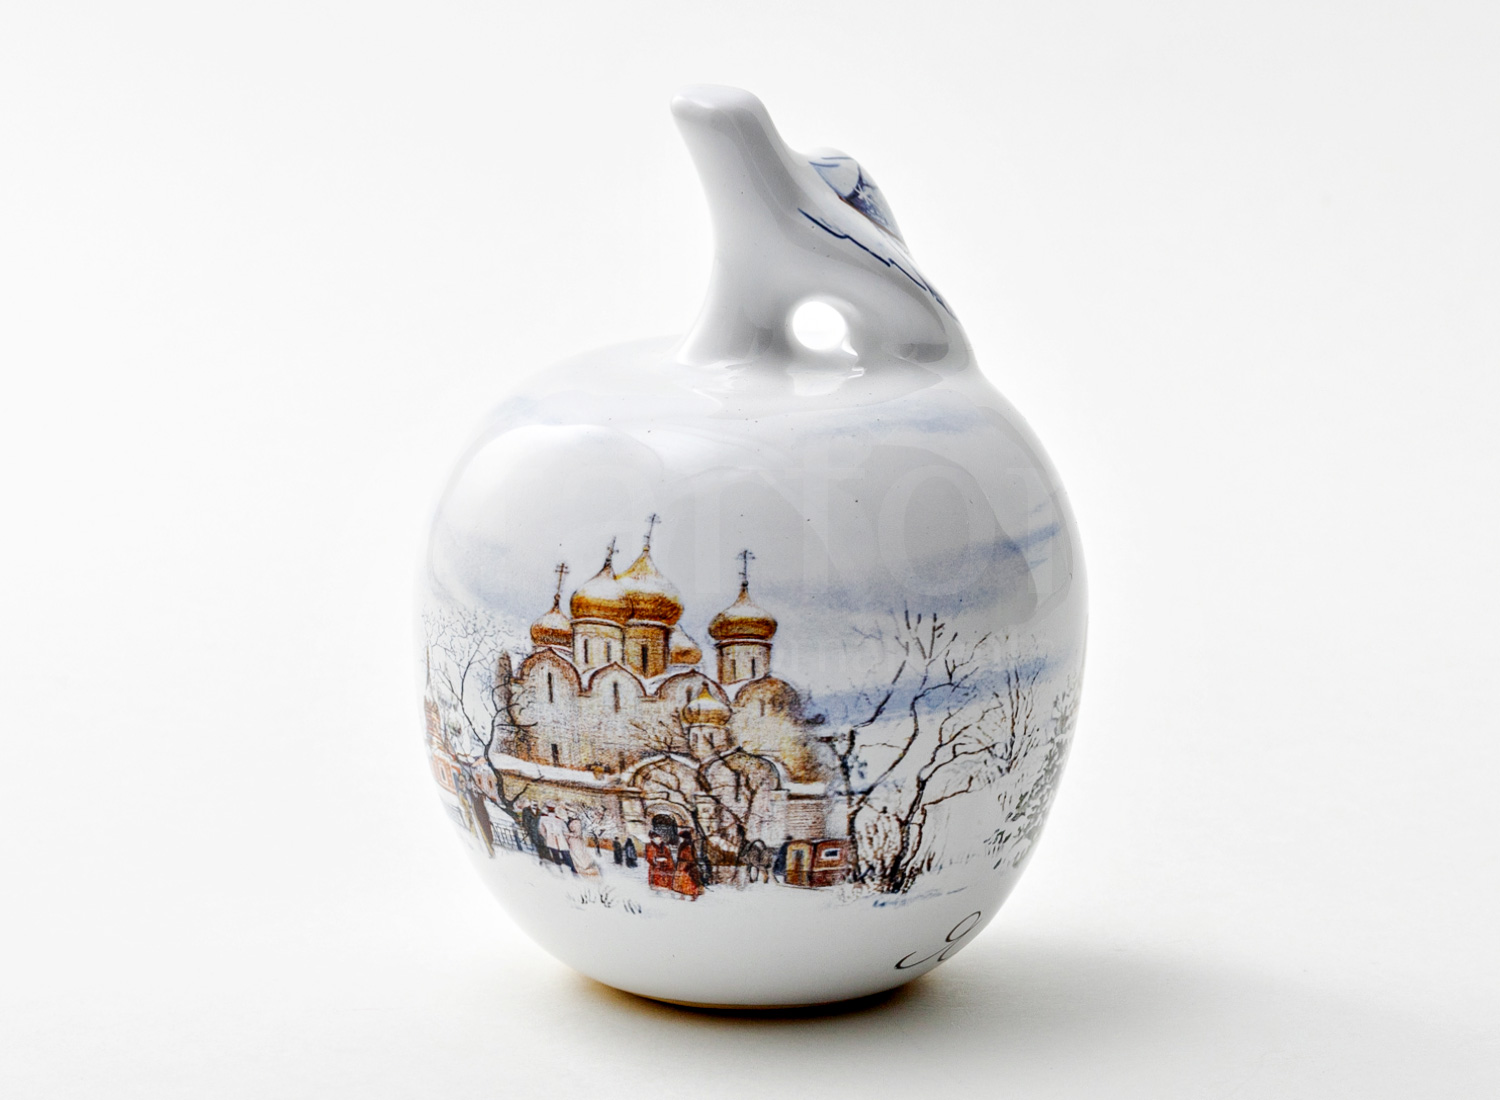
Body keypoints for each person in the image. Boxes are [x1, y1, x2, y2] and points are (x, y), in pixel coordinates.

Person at [539, 805, 572, 872]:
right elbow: (565, 831)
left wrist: (547, 836)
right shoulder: (558, 819)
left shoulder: (543, 819)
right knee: (564, 855)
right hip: (558, 839)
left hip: (554, 839)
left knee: (557, 854)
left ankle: (562, 869)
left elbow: (542, 830)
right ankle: (566, 869)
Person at [672, 836, 703, 901]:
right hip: (682, 864)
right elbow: (679, 855)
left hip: (687, 864)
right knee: (681, 880)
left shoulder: (689, 846)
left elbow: (691, 856)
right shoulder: (682, 845)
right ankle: (683, 895)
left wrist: (691, 863)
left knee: (690, 880)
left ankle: (693, 895)